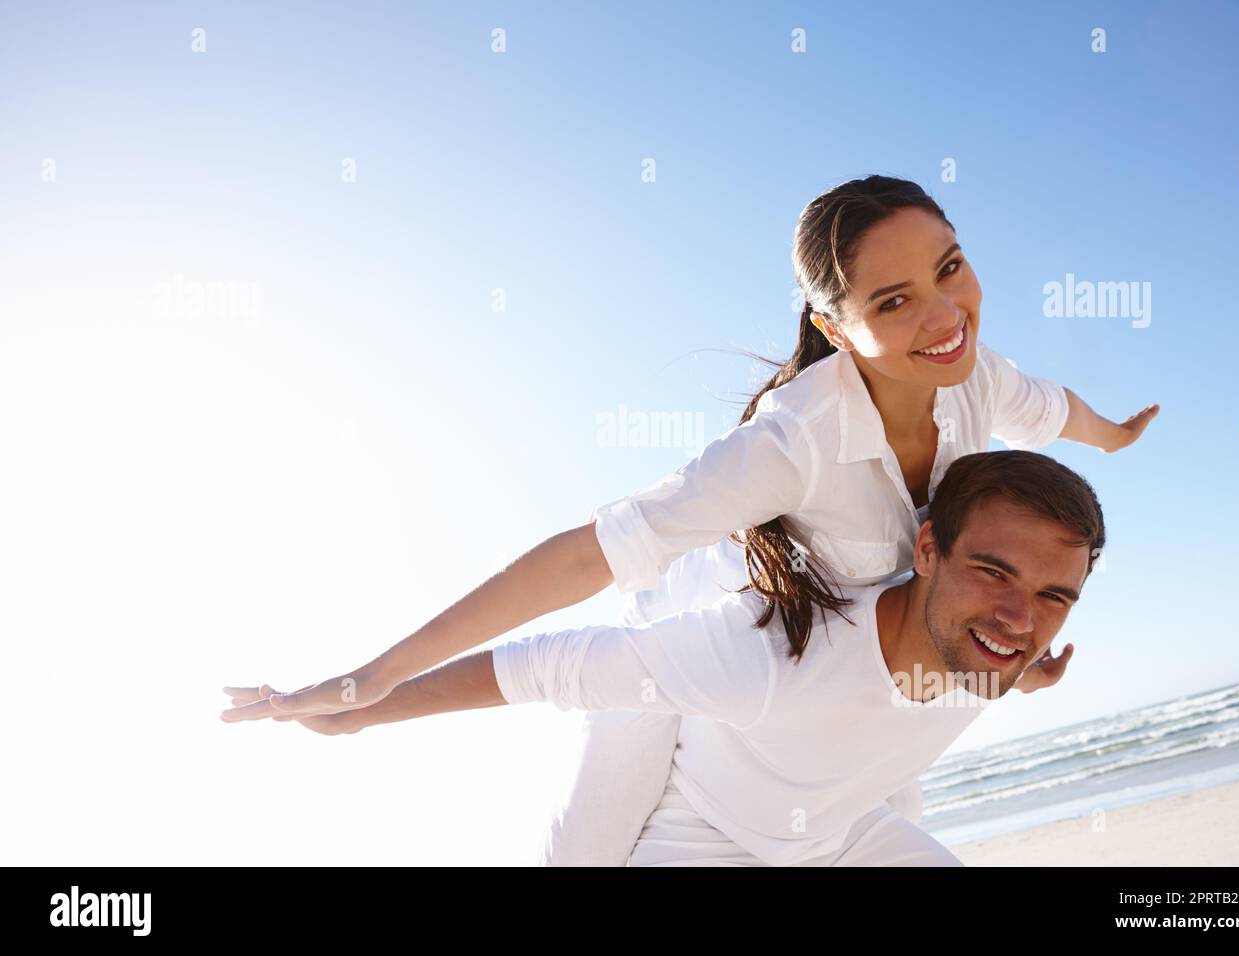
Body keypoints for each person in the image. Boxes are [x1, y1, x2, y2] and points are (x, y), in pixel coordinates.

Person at [220, 175, 1157, 862]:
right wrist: (371, 681)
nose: (946, 313)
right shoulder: (794, 443)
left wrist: (1112, 437)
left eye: (950, 268)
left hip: (853, 687)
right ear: (835, 329)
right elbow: (587, 555)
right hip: (695, 648)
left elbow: (1051, 409)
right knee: (589, 848)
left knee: (873, 813)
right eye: (893, 301)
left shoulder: (973, 373)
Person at [230, 450, 1105, 867]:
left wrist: (1027, 668)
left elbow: (994, 633)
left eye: (1053, 596)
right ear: (928, 550)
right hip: (701, 833)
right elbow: (548, 664)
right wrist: (359, 706)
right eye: (993, 571)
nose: (1019, 614)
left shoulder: (996, 636)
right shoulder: (768, 654)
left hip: (833, 832)